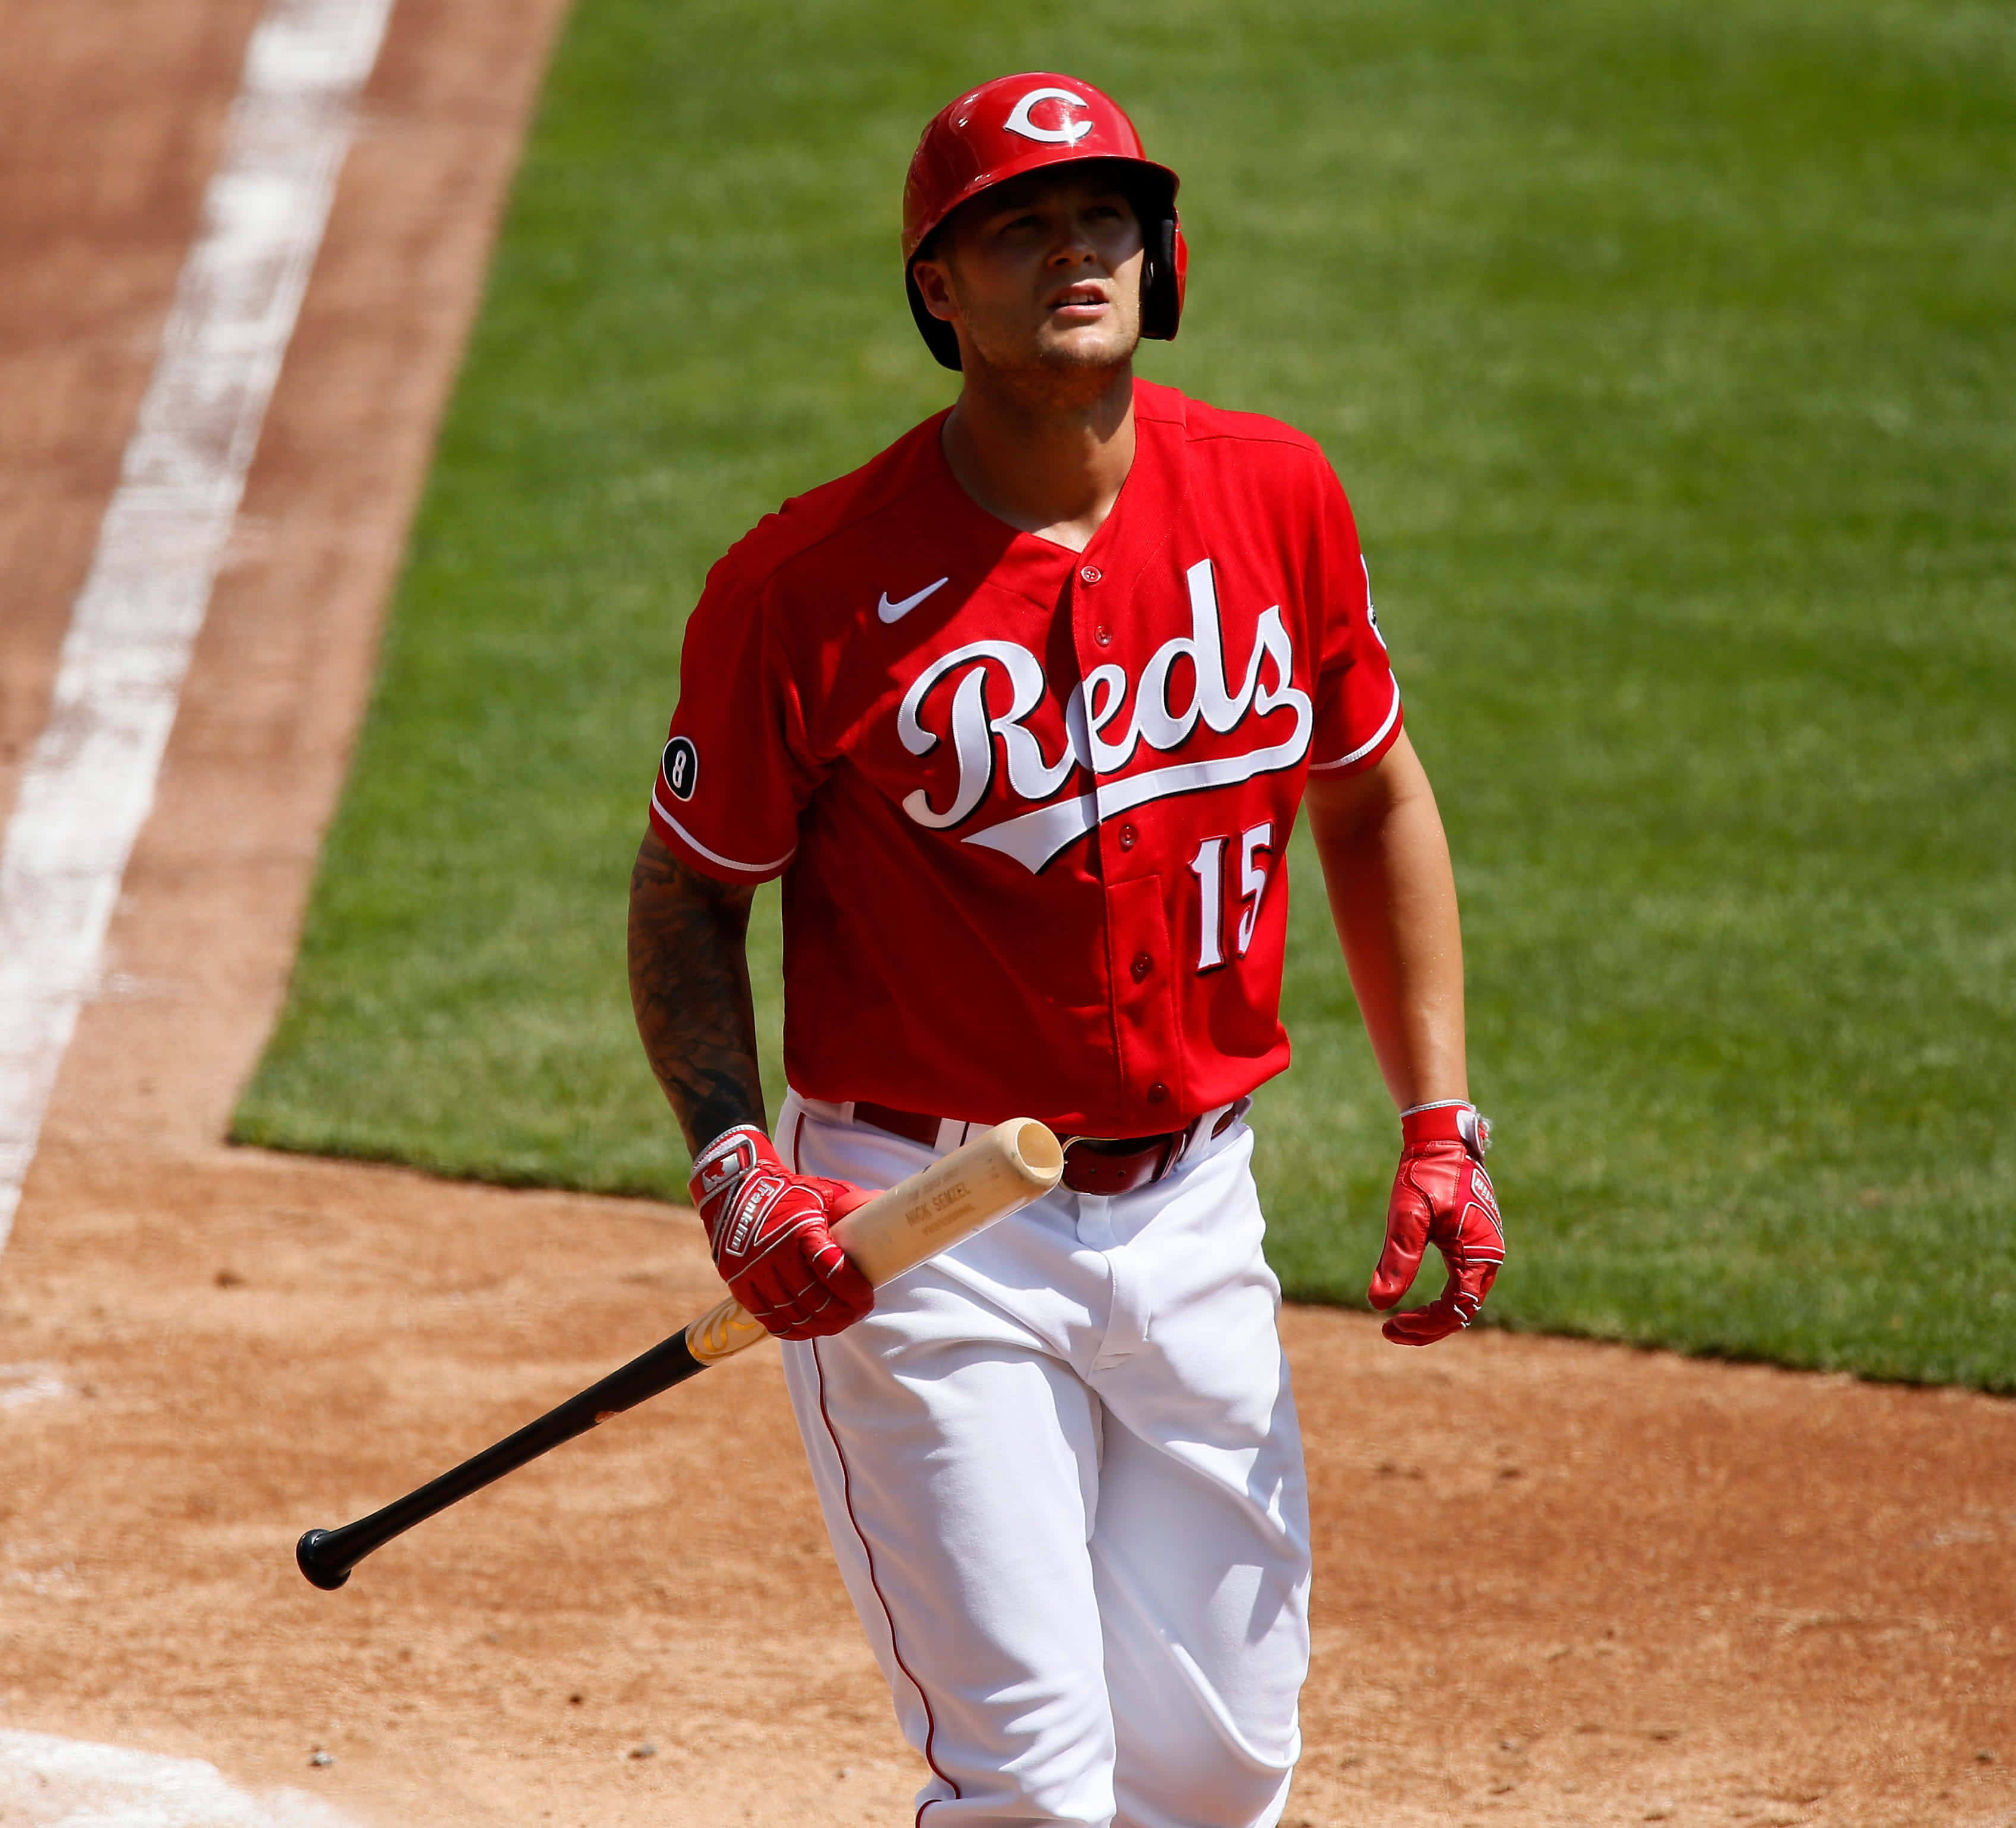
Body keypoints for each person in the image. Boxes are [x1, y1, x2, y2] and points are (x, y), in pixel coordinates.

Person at [625, 71, 1504, 1828]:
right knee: (1029, 1783)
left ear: (1157, 251)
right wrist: (737, 1167)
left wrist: (1440, 1121)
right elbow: (687, 892)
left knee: (1217, 1765)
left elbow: (1373, 794)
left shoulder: (1273, 496)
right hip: (924, 1229)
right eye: (1012, 227)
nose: (1068, 251)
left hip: (1192, 1212)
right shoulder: (802, 587)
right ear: (935, 291)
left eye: (1099, 215)